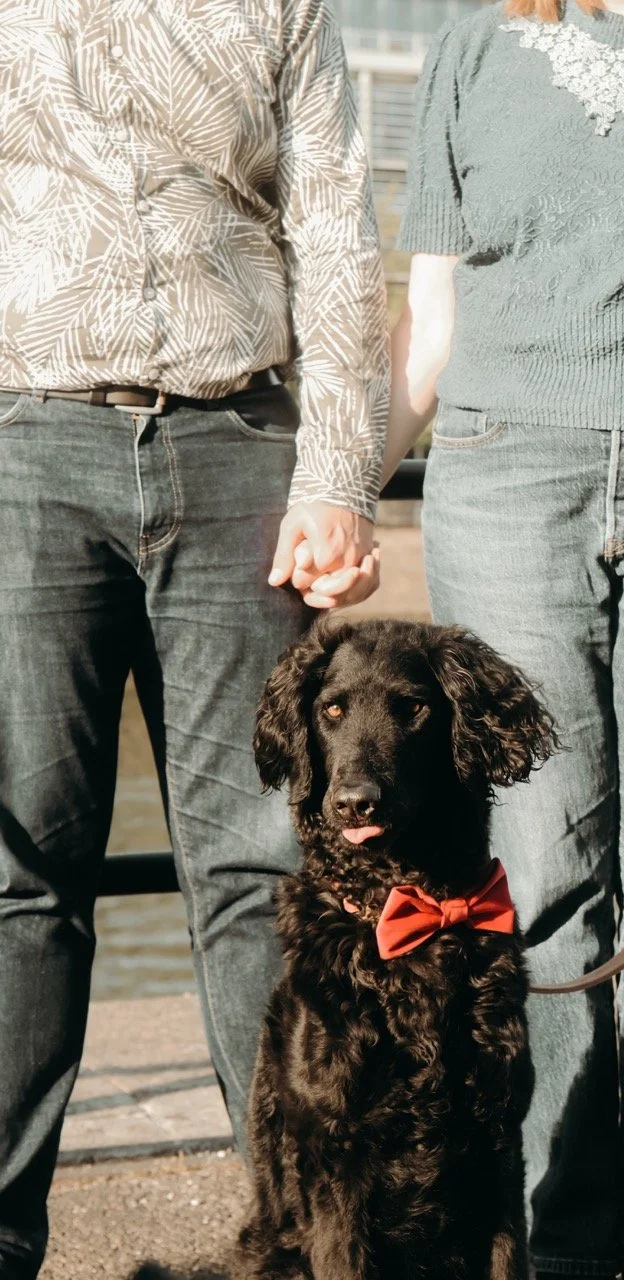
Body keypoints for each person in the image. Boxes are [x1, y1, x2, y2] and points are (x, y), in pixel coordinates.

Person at [0, 1, 387, 1275]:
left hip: (241, 449)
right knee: (17, 879)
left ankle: (297, 1243)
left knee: (260, 872)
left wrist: (337, 472)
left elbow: (331, 220)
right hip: (22, 446)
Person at [385, 0, 624, 1277]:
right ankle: (561, 1238)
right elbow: (430, 318)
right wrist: (340, 495)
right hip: (500, 478)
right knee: (539, 877)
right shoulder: (472, 45)